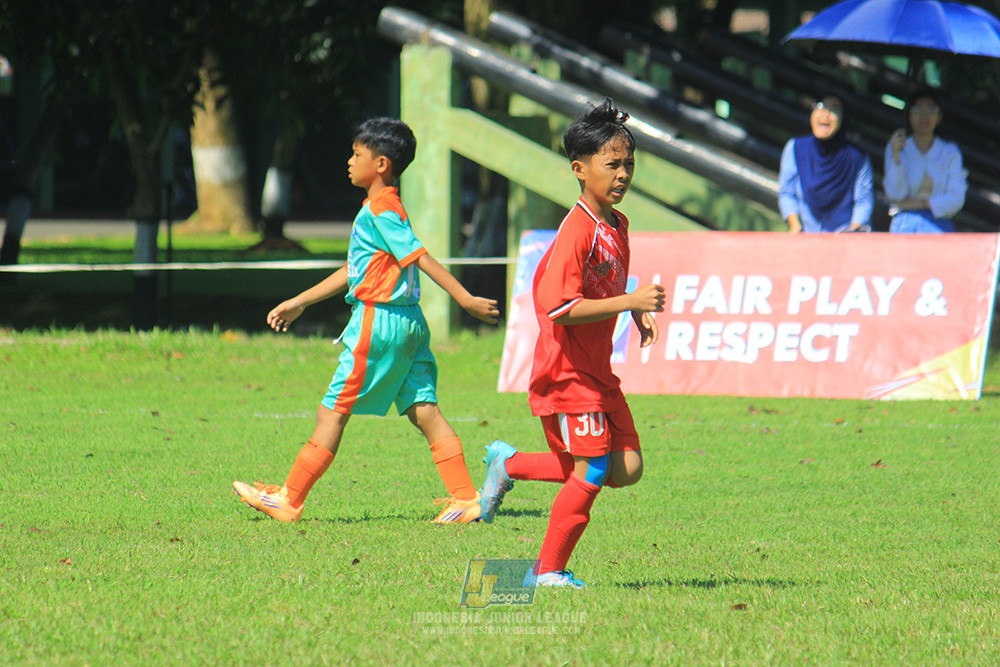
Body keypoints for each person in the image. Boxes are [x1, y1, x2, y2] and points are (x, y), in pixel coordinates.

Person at [232, 118, 500, 524]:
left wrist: (464, 298)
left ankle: (289, 499)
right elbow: (353, 270)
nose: (349, 161)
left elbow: (419, 255)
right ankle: (465, 498)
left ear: (381, 164)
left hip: (379, 323)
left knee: (332, 412)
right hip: (409, 322)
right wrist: (300, 301)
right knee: (425, 409)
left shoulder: (380, 210)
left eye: (357, 154)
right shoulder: (383, 209)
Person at [477, 99, 665, 589]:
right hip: (567, 372)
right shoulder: (576, 230)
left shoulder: (617, 225)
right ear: (580, 169)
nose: (623, 174)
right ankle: (547, 571)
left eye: (629, 164)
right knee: (593, 469)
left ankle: (509, 465)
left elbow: (602, 287)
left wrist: (634, 309)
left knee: (625, 467)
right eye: (612, 164)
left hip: (597, 369)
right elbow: (560, 307)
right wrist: (630, 300)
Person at [778, 94, 874, 233]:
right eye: (821, 106)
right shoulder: (795, 148)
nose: (826, 114)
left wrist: (853, 232)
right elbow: (787, 193)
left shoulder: (857, 157)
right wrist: (795, 225)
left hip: (843, 238)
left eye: (834, 109)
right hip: (806, 237)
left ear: (844, 118)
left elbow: (863, 202)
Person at [884, 89, 967, 234]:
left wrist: (920, 203)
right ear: (909, 115)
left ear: (939, 116)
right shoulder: (897, 147)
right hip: (904, 221)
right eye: (917, 110)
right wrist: (896, 157)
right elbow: (895, 195)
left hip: (940, 223)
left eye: (931, 110)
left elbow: (956, 199)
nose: (924, 116)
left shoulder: (950, 152)